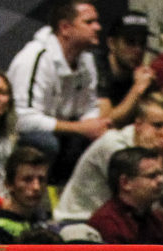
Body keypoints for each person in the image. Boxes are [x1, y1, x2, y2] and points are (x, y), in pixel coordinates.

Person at [6, 0, 106, 179]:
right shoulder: (35, 58)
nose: (98, 27)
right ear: (65, 28)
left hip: (64, 131)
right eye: (89, 22)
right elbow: (22, 119)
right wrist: (80, 128)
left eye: (97, 21)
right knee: (45, 142)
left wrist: (94, 126)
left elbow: (89, 108)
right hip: (22, 136)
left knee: (103, 140)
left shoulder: (87, 60)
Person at [53, 92, 163, 225]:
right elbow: (140, 199)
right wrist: (160, 163)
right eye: (158, 125)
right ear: (138, 124)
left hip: (119, 222)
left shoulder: (158, 153)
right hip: (79, 220)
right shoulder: (113, 144)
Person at [95, 9, 157, 128]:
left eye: (142, 43)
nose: (138, 50)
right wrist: (137, 89)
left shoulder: (141, 76)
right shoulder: (97, 67)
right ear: (112, 43)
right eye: (130, 42)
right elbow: (104, 122)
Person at [0, 145, 53, 240]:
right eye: (27, 180)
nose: (36, 187)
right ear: (9, 184)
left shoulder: (43, 222)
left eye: (41, 180)